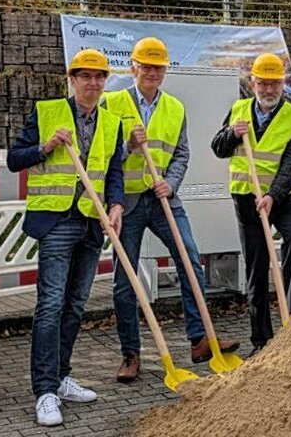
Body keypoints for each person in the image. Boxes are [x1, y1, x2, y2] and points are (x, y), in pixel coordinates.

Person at [101, 37, 239, 382]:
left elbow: (181, 154)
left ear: (165, 71)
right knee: (125, 279)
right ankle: (131, 354)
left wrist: (171, 184)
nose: (151, 72)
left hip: (163, 199)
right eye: (145, 66)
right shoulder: (111, 104)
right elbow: (99, 157)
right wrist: (127, 147)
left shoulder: (175, 108)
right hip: (128, 202)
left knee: (190, 259)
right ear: (133, 67)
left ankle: (199, 339)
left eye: (157, 67)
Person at [7, 49, 125, 426]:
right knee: (51, 304)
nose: (93, 83)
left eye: (99, 77)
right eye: (85, 76)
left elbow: (115, 170)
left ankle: (60, 377)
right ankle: (44, 390)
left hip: (92, 222)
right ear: (71, 79)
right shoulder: (47, 113)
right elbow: (15, 159)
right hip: (56, 222)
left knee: (75, 305)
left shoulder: (111, 122)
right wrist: (45, 146)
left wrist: (117, 204)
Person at [211, 53, 291, 357]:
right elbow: (218, 148)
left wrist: (273, 196)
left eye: (274, 83)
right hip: (246, 199)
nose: (268, 89)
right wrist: (231, 134)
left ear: (283, 84)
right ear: (252, 82)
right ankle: (261, 341)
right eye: (263, 83)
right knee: (256, 267)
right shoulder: (239, 110)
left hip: (283, 198)